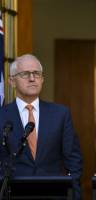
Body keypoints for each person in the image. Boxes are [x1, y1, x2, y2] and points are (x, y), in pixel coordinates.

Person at [0, 54, 82, 199]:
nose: (32, 78)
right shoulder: (2, 116)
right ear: (12, 81)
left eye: (36, 74)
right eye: (25, 74)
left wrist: (75, 195)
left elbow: (73, 161)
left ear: (42, 79)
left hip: (54, 194)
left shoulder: (60, 114)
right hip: (13, 194)